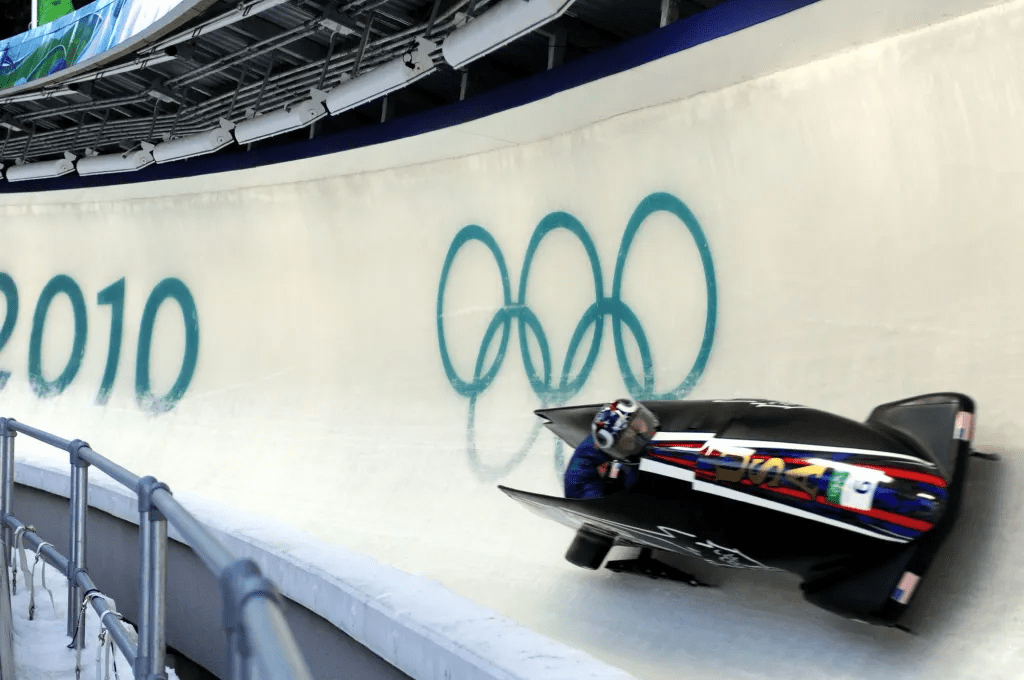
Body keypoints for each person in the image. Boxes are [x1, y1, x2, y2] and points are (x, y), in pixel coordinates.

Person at [564, 398, 658, 499]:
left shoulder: (617, 439)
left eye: (638, 428)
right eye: (629, 440)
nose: (640, 439)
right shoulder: (580, 479)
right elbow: (591, 504)